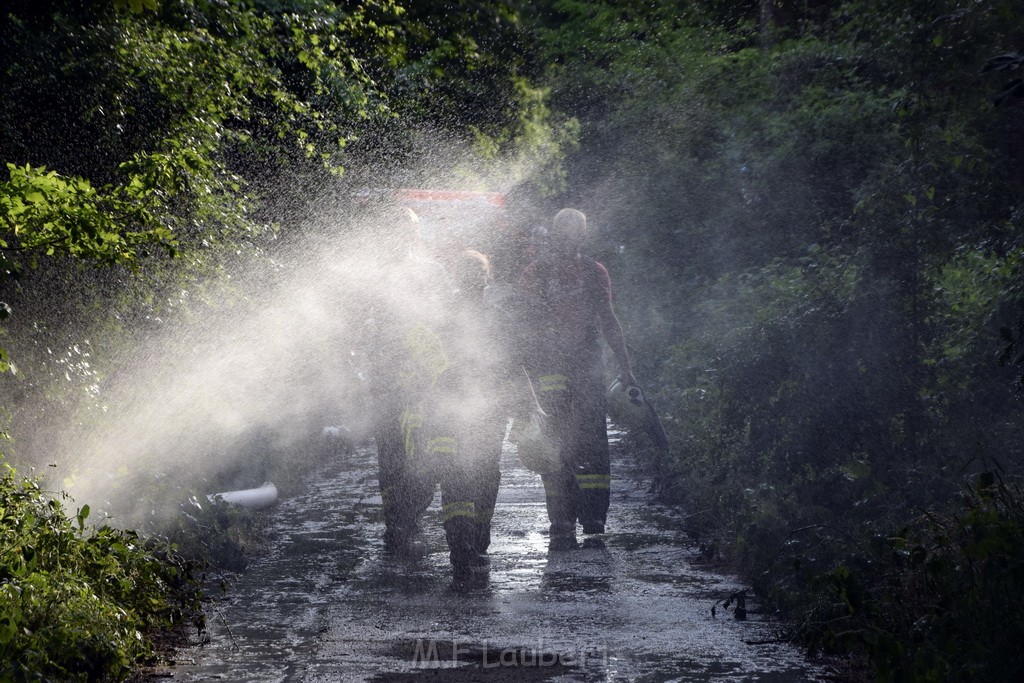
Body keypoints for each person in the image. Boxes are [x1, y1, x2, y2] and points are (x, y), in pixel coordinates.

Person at [516, 208, 637, 550]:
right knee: (573, 444)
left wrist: (625, 366)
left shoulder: (544, 272)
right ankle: (576, 517)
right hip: (571, 369)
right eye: (567, 232)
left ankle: (571, 519)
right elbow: (525, 325)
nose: (570, 238)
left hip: (567, 369)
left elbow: (607, 320)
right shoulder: (568, 271)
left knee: (570, 444)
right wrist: (625, 366)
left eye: (573, 232)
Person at [364, 206, 450, 556]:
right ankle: (396, 520)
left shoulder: (432, 272)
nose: (400, 237)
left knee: (426, 445)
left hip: (424, 376)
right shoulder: (371, 277)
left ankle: (412, 510)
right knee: (390, 449)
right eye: (392, 230)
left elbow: (448, 319)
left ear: (416, 235)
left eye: (406, 230)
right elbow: (358, 324)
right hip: (386, 374)